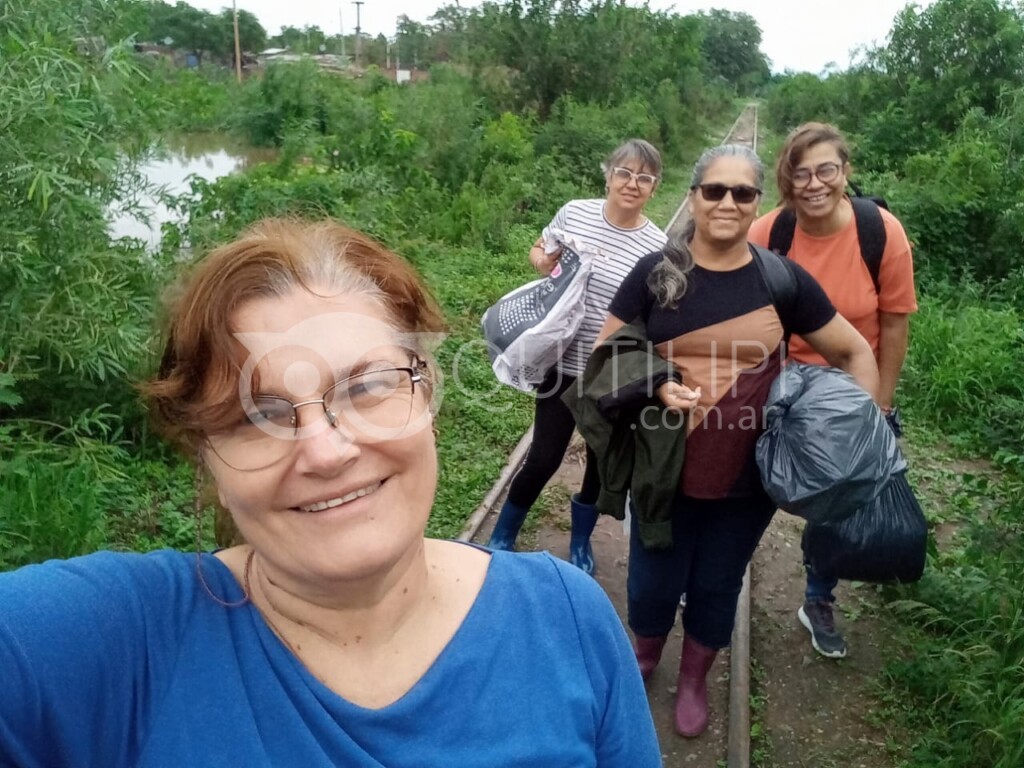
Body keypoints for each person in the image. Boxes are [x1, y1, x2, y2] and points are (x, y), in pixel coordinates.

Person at [0, 219, 662, 767]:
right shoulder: (111, 649)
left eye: (367, 385)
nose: (325, 449)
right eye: (254, 414)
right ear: (208, 463)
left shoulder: (570, 625)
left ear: (426, 391)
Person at [596, 144, 880, 737]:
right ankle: (643, 659)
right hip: (662, 469)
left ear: (757, 203)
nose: (728, 202)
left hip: (747, 477)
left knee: (718, 582)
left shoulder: (781, 279)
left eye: (743, 192)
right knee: (651, 580)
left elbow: (853, 350)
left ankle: (696, 678)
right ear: (694, 197)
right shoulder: (656, 274)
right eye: (715, 190)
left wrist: (858, 440)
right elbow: (605, 356)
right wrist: (656, 385)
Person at [749, 122, 918, 660]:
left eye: (826, 169)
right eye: (800, 173)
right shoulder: (769, 233)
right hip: (779, 386)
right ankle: (716, 575)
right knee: (748, 487)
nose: (814, 183)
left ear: (845, 171)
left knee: (837, 502)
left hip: (851, 390)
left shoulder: (879, 232)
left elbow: (894, 324)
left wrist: (880, 405)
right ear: (786, 179)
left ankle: (818, 596)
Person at [487, 139, 668, 573]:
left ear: (654, 187)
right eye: (624, 173)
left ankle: (581, 541)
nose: (632, 183)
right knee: (545, 456)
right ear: (608, 174)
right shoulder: (575, 213)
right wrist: (545, 263)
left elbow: (653, 313)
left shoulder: (657, 246)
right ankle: (503, 533)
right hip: (559, 364)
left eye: (644, 178)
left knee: (598, 462)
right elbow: (539, 249)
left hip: (607, 374)